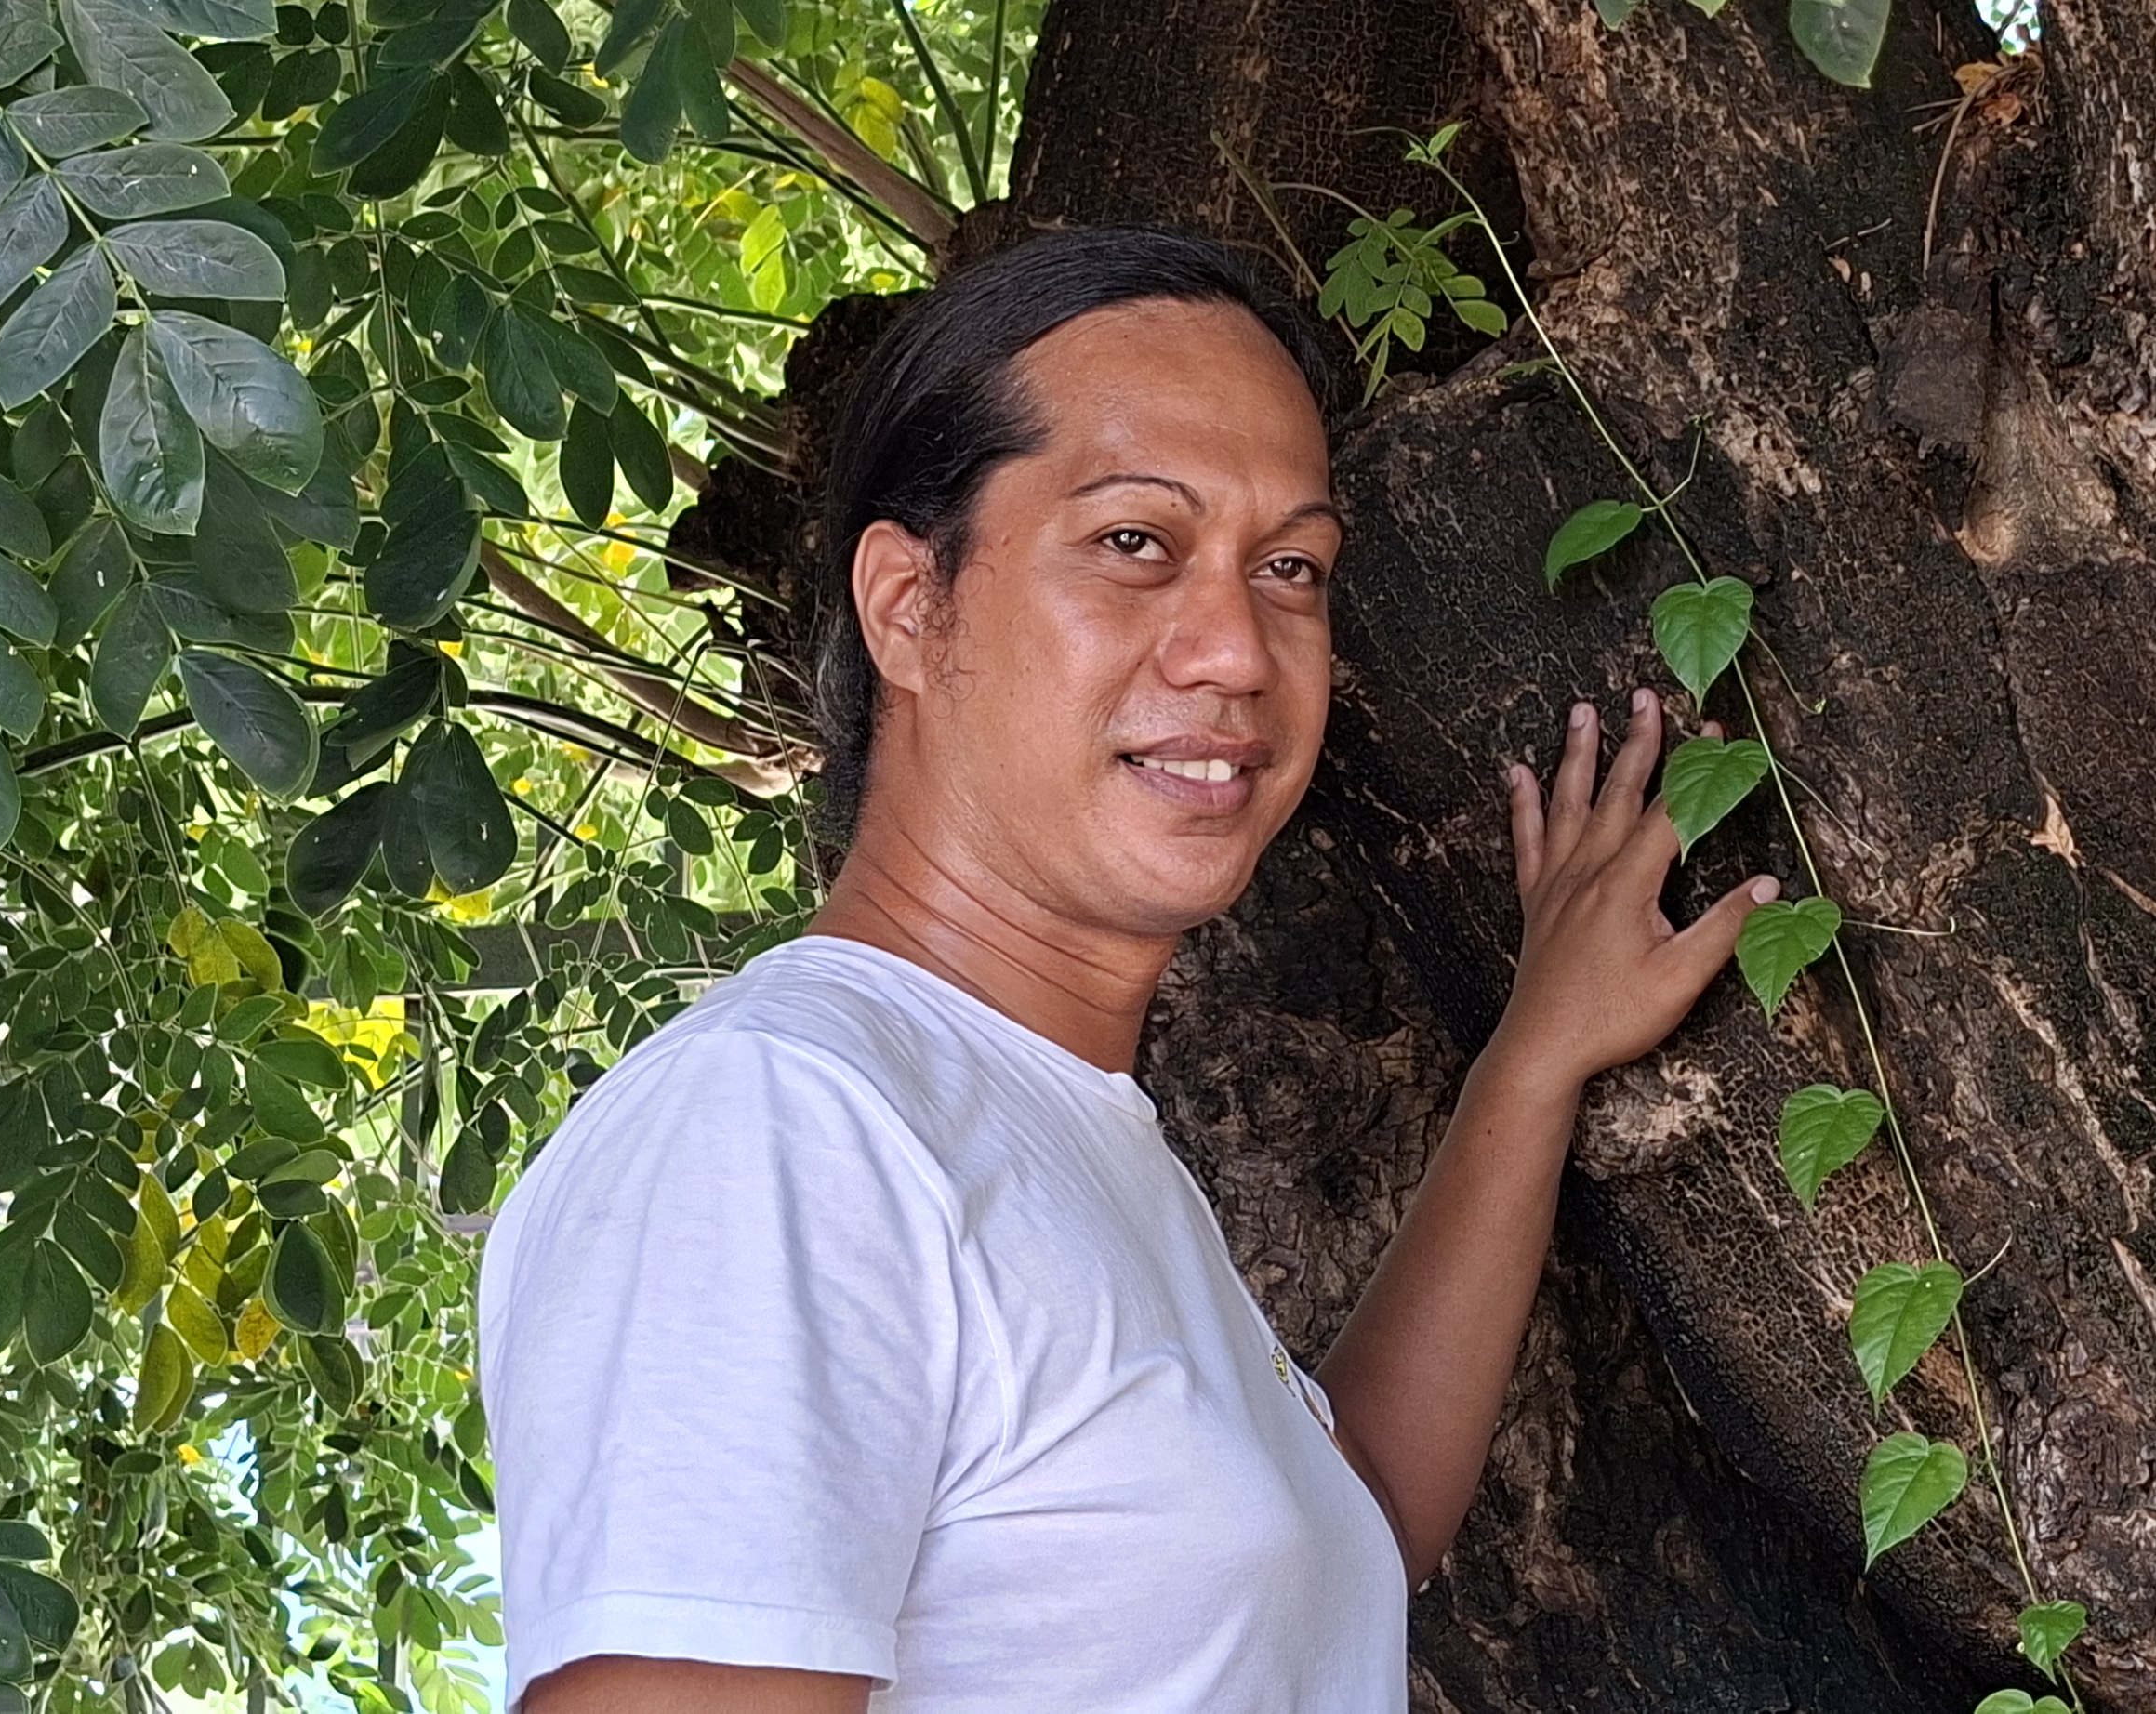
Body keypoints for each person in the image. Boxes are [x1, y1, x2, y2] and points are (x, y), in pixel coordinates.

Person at [477, 226, 1778, 1714]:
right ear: (910, 606)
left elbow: (1339, 1540)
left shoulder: (1051, 1126)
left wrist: (1532, 1062)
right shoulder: (785, 1124)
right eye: (1134, 543)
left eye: (1290, 567)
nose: (1236, 649)